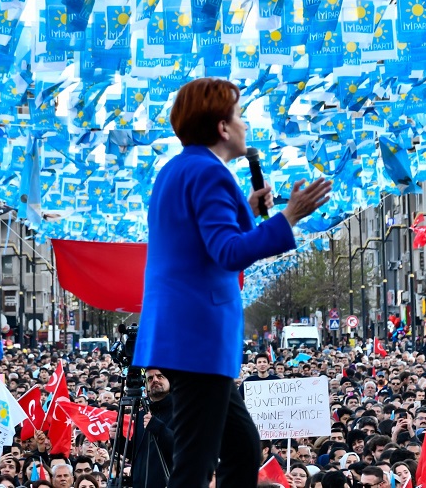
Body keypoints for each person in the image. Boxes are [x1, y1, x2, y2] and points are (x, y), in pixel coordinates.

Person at [132, 78, 332, 488]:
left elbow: (205, 237)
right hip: (198, 337)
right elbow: (227, 251)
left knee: (241, 447)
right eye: (238, 116)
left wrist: (250, 207)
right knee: (195, 463)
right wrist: (287, 218)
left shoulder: (177, 169)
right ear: (222, 127)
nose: (244, 126)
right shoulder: (210, 173)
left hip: (182, 334)